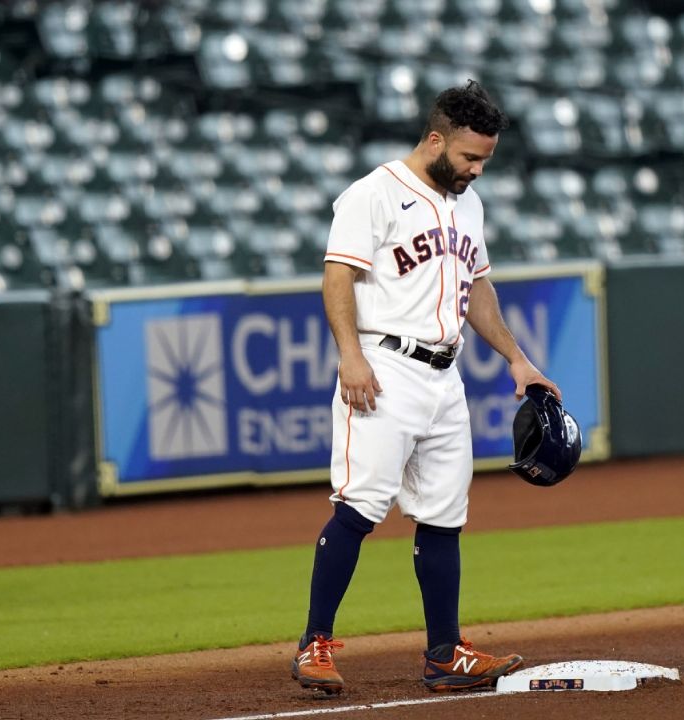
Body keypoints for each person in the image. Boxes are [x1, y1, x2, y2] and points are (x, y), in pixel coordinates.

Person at [289, 81, 560, 696]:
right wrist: (350, 357)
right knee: (359, 506)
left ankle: (445, 653)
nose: (477, 169)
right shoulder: (374, 193)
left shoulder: (469, 205)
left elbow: (478, 289)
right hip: (383, 369)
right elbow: (337, 277)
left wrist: (518, 359)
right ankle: (314, 645)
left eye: (485, 159)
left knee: (443, 516)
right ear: (435, 139)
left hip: (445, 377)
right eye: (469, 157)